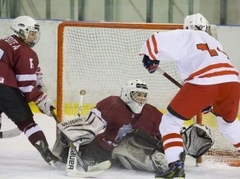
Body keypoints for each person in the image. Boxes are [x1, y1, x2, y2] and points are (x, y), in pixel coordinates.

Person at [140, 13, 240, 179]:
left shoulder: (187, 34)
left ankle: (176, 167)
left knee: (170, 122)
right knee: (228, 125)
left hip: (205, 81)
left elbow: (156, 40)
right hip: (232, 81)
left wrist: (150, 57)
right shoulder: (215, 42)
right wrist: (206, 100)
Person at [52, 79, 214, 174]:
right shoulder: (113, 104)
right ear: (127, 94)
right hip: (102, 149)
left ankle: (161, 161)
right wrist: (78, 133)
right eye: (137, 94)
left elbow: (168, 130)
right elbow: (91, 122)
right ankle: (63, 152)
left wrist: (183, 139)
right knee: (68, 148)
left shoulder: (151, 113)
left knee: (139, 139)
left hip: (127, 154)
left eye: (144, 95)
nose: (141, 98)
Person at [0, 15, 59, 168]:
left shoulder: (5, 42)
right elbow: (26, 86)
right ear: (21, 31)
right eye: (31, 33)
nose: (34, 37)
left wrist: (36, 75)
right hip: (3, 89)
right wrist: (41, 99)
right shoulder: (25, 51)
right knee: (28, 123)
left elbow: (16, 65)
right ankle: (49, 156)